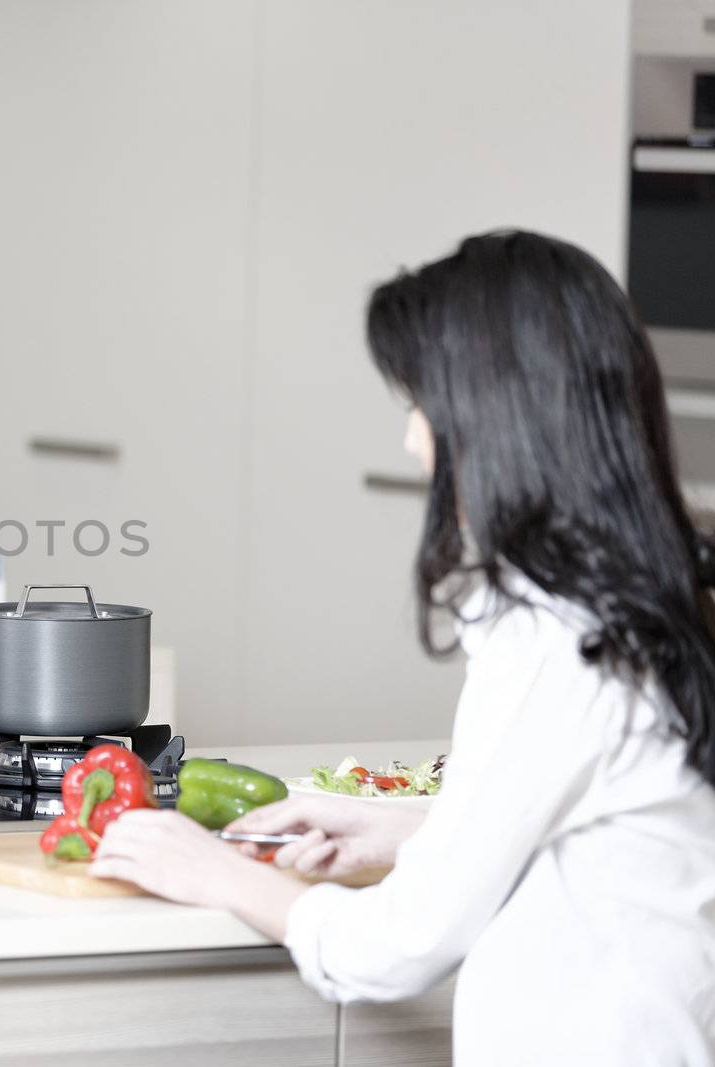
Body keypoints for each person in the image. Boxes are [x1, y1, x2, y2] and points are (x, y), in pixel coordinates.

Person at [90, 231, 715, 1062]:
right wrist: (414, 830)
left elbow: (395, 948)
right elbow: (598, 828)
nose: (414, 440)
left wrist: (219, 874)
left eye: (423, 403)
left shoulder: (560, 640)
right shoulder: (631, 601)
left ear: (494, 414)